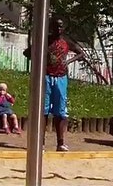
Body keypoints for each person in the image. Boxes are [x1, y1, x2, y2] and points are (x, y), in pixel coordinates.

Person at [22, 17, 88, 152]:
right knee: (44, 110)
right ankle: (41, 143)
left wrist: (68, 62)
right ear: (51, 27)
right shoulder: (44, 40)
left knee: (60, 111)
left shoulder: (66, 41)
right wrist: (41, 60)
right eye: (56, 26)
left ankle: (60, 142)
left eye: (60, 26)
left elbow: (81, 53)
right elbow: (27, 52)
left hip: (61, 78)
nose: (58, 29)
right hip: (46, 77)